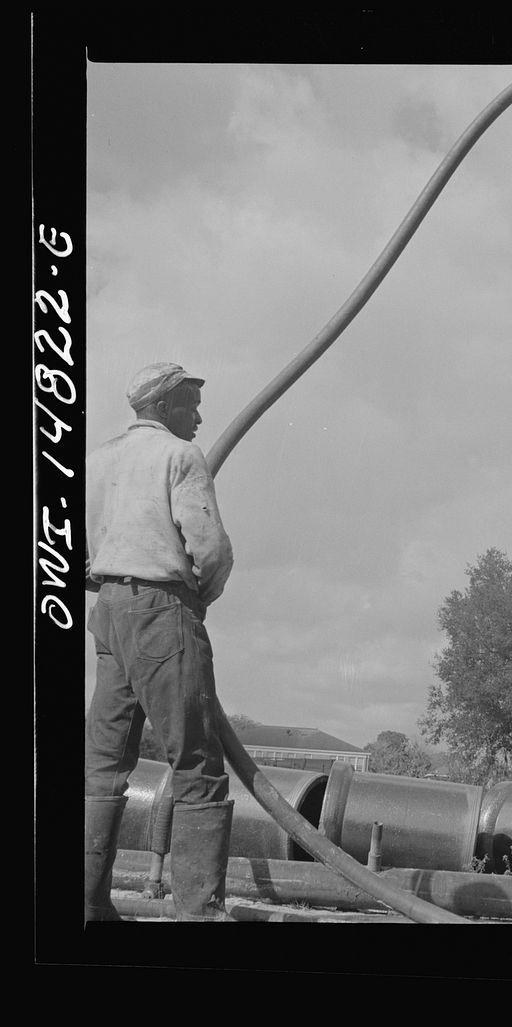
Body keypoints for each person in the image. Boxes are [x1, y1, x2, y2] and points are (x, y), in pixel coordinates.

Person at [84, 362, 235, 922]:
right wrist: (199, 597)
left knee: (102, 763)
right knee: (196, 761)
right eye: (190, 404)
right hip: (161, 610)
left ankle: (87, 906)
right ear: (164, 405)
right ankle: (199, 916)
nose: (197, 416)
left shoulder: (96, 460)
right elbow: (209, 547)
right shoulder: (180, 456)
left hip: (109, 611)